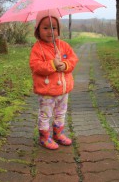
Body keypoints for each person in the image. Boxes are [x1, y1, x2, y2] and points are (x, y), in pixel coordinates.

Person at [29, 10, 79, 150]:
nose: (50, 31)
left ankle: (58, 134)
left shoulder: (63, 45)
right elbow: (36, 66)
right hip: (47, 91)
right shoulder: (37, 48)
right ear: (38, 30)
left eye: (53, 27)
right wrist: (52, 64)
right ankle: (44, 137)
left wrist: (64, 65)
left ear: (58, 29)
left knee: (60, 113)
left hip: (63, 89)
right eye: (45, 28)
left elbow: (73, 59)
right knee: (45, 114)